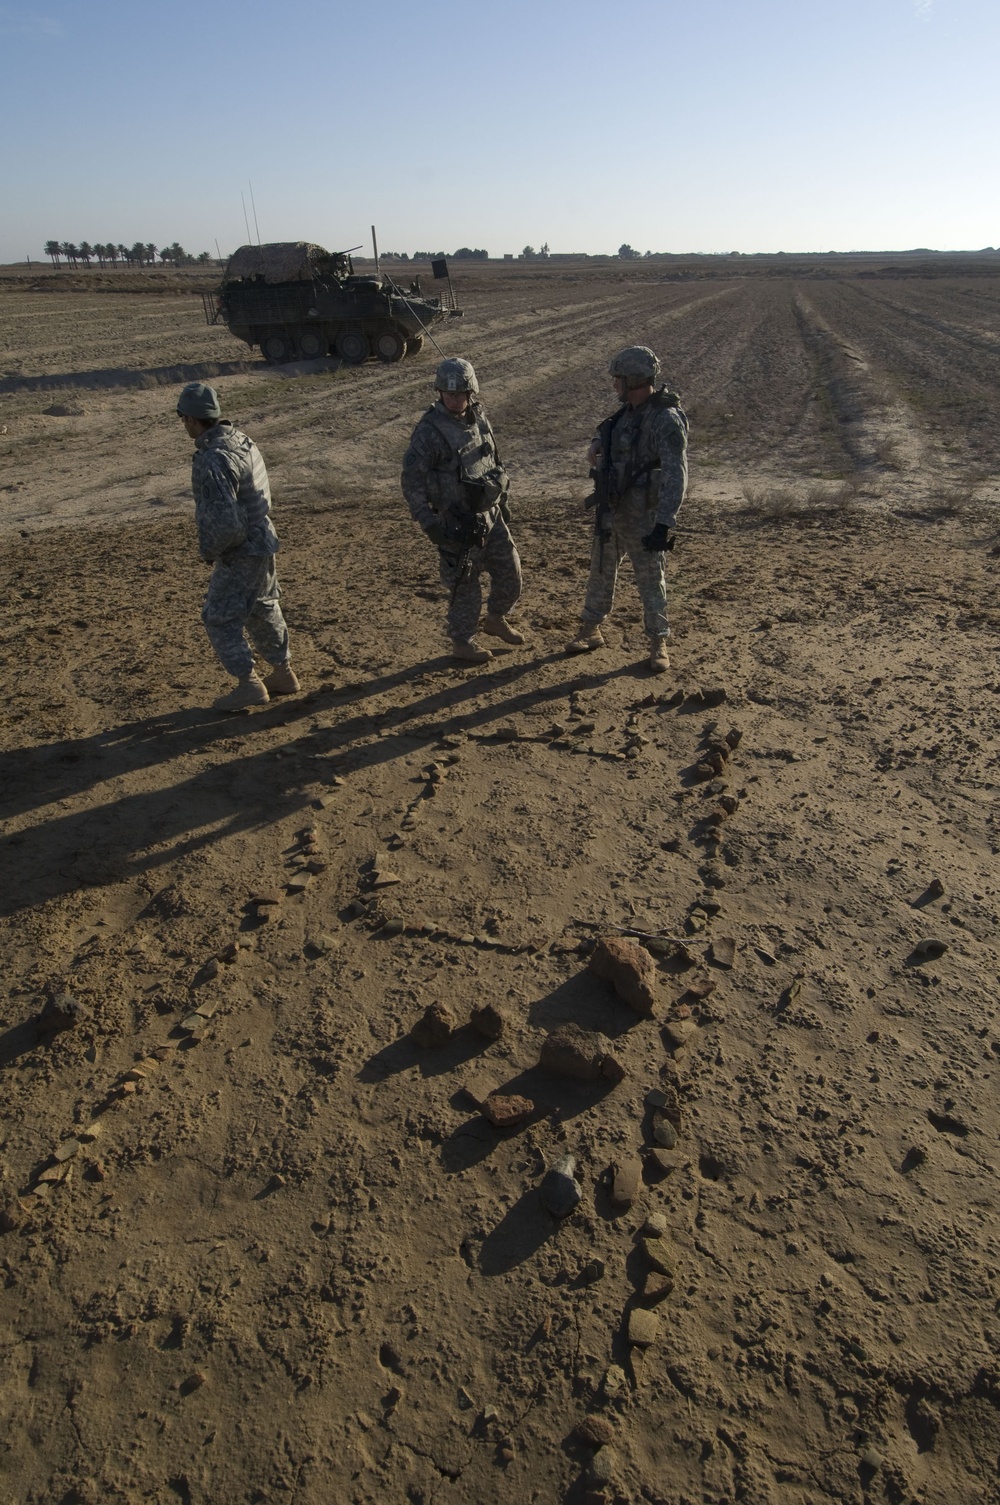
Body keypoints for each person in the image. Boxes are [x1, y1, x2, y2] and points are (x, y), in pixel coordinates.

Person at [176, 381, 300, 710]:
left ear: (191, 419)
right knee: (262, 606)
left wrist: (212, 551)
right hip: (264, 537)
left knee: (218, 616)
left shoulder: (213, 458)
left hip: (242, 547)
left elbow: (224, 522)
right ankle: (283, 672)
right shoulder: (240, 439)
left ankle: (248, 683)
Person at [567, 346, 688, 673]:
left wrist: (665, 523)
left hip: (645, 519)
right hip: (612, 511)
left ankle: (658, 641)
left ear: (633, 380)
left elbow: (676, 474)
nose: (614, 386)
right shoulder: (627, 413)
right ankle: (591, 629)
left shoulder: (665, 419)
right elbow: (608, 431)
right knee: (601, 571)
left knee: (651, 579)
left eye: (618, 379)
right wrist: (596, 442)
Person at [401, 358, 523, 664]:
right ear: (439, 392)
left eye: (460, 394)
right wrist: (428, 522)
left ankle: (496, 618)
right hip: (455, 523)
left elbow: (494, 460)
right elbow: (412, 480)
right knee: (464, 586)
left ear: (471, 393)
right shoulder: (429, 431)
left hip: (489, 514)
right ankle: (463, 641)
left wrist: (502, 500)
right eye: (447, 393)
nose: (454, 399)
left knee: (511, 572)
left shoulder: (479, 418)